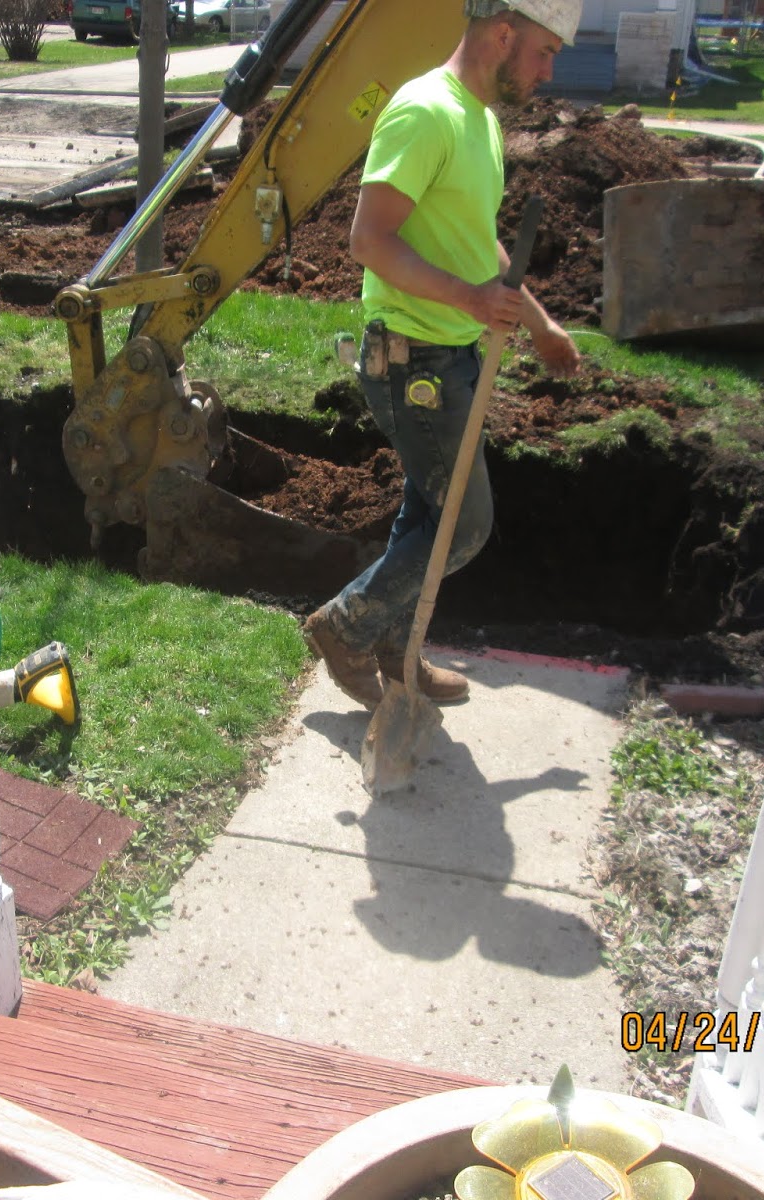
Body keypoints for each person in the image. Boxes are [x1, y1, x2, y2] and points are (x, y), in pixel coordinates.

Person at [303, 0, 582, 710]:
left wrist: (540, 323)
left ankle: (399, 649)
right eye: (545, 51)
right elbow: (369, 241)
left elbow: (474, 237)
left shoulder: (481, 121)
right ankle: (346, 626)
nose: (549, 71)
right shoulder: (425, 111)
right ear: (502, 32)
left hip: (450, 356)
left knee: (427, 516)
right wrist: (466, 299)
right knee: (462, 525)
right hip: (411, 359)